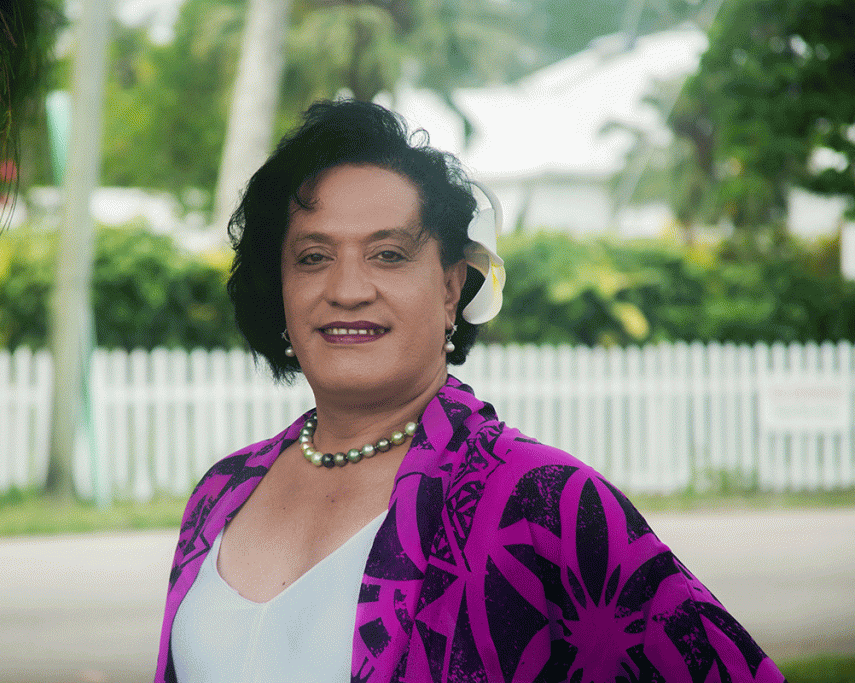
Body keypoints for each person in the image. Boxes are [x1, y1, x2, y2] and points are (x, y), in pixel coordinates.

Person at [154, 100, 785, 683]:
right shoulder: (222, 494)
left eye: (389, 254)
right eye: (314, 257)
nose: (347, 289)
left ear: (453, 286)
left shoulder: (543, 501)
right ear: (281, 288)